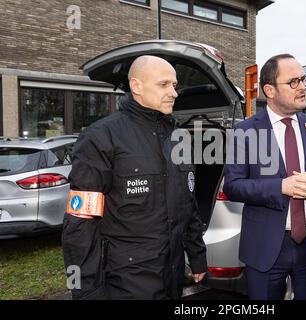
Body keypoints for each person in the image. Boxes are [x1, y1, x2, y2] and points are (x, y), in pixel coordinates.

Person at [62, 55, 206, 300]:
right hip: (125, 281)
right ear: (137, 86)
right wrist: (86, 291)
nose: (174, 93)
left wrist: (197, 255)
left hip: (173, 275)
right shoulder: (101, 137)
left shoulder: (178, 138)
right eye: (164, 85)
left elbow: (187, 202)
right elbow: (81, 222)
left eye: (174, 85)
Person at [223, 54, 306, 300]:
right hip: (264, 248)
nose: (303, 87)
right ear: (270, 90)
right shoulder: (245, 131)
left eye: (303, 79)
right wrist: (282, 186)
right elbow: (233, 186)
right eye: (293, 82)